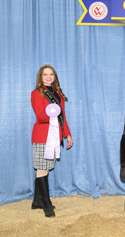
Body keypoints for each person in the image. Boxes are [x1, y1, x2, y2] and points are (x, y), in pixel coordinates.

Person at [31, 64, 73, 217]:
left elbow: (63, 118)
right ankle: (46, 203)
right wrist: (52, 113)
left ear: (55, 77)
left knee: (46, 167)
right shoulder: (37, 93)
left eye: (51, 74)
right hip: (43, 136)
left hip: (55, 136)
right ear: (40, 77)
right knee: (42, 168)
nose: (48, 77)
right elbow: (40, 116)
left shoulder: (57, 94)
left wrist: (67, 135)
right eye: (45, 74)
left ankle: (37, 201)